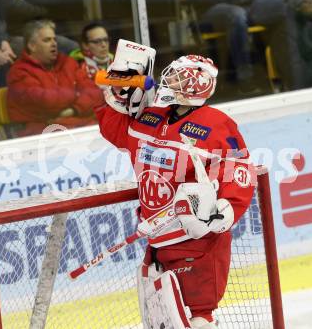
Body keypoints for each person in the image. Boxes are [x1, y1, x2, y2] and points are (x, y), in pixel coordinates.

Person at [94, 40, 255, 328]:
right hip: (158, 240)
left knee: (198, 319)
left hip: (196, 242)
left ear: (195, 86)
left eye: (178, 77)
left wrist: (226, 208)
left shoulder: (218, 125)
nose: (169, 80)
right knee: (163, 321)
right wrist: (118, 94)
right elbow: (115, 131)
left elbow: (239, 172)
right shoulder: (152, 116)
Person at [7, 19, 104, 137]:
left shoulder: (68, 63)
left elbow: (95, 93)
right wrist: (76, 94)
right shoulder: (19, 72)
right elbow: (45, 102)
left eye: (54, 39)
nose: (54, 43)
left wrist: (74, 109)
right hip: (41, 134)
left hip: (76, 124)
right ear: (32, 46)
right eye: (47, 40)